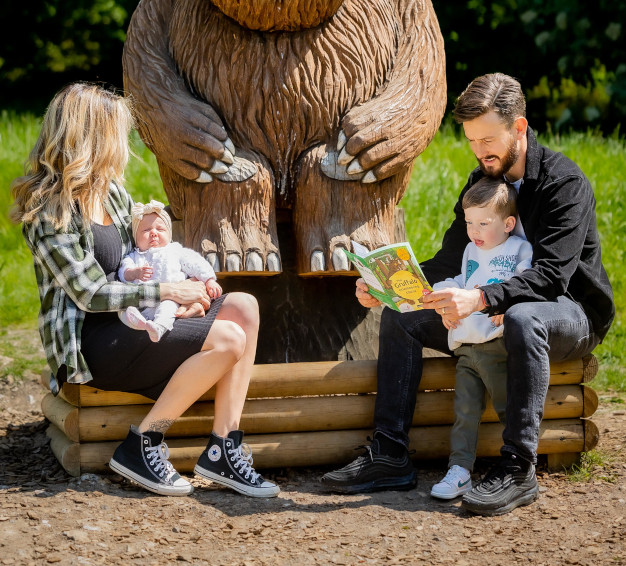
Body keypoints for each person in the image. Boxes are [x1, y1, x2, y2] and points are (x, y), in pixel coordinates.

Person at [321, 72, 614, 516]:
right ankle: (389, 455)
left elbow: (552, 277)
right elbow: (447, 263)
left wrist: (478, 299)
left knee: (523, 317)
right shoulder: (481, 184)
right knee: (402, 318)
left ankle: (517, 470)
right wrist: (392, 287)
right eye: (472, 141)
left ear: (519, 127)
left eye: (488, 139)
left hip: (568, 313)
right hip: (487, 315)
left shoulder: (564, 184)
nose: (480, 152)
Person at [10, 82, 279, 499]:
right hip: (92, 341)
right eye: (116, 131)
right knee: (228, 339)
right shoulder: (50, 212)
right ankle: (143, 444)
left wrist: (187, 291)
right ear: (92, 137)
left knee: (244, 306)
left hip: (136, 319)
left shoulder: (112, 193)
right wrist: (167, 293)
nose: (124, 141)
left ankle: (224, 448)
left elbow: (143, 258)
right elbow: (90, 294)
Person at [429, 176, 532, 500]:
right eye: (469, 222)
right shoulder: (471, 249)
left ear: (508, 223)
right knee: (465, 411)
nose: (474, 231)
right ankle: (459, 470)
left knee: (506, 406)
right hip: (467, 345)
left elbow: (525, 284)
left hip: (496, 345)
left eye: (483, 223)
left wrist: (510, 304)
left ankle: (516, 467)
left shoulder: (519, 248)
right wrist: (437, 295)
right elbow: (463, 280)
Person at [118, 200, 222, 343]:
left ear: (169, 234)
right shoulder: (134, 256)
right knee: (125, 309)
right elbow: (123, 272)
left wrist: (209, 280)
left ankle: (158, 328)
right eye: (146, 230)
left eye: (160, 229)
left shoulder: (175, 251)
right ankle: (138, 323)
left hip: (171, 298)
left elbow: (197, 263)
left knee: (168, 308)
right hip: (141, 301)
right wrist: (134, 272)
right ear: (136, 239)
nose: (154, 233)